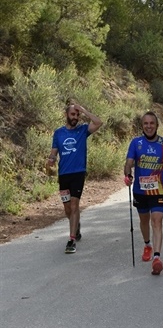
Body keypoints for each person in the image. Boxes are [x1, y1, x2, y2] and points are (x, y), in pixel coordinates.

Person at [124, 111, 163, 275]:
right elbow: (128, 163)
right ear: (142, 126)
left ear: (157, 125)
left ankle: (157, 257)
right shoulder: (136, 143)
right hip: (140, 191)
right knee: (144, 220)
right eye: (145, 124)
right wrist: (127, 175)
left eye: (152, 123)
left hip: (159, 190)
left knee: (157, 221)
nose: (149, 126)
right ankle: (147, 244)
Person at [47, 102, 102, 253]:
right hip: (63, 174)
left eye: (77, 115)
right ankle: (75, 226)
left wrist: (83, 110)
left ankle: (71, 240)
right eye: (73, 114)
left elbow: (98, 122)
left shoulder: (83, 130)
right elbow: (54, 151)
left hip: (78, 173)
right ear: (66, 115)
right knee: (67, 209)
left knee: (74, 204)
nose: (75, 117)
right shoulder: (58, 133)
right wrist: (50, 159)